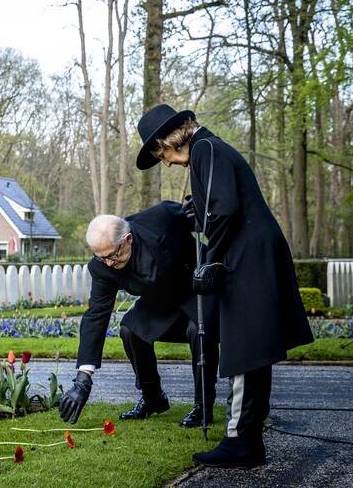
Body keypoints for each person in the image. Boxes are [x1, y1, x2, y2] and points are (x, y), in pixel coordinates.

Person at [135, 104, 314, 468]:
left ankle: (240, 441)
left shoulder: (204, 149)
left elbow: (225, 209)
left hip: (248, 256)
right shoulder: (211, 149)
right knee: (254, 346)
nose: (165, 162)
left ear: (171, 139)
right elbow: (217, 207)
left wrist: (209, 261)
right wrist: (196, 213)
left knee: (245, 346)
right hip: (255, 252)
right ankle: (247, 438)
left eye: (161, 153)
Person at [58, 202, 219, 428]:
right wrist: (83, 379)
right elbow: (96, 315)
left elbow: (197, 218)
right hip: (161, 301)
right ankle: (153, 399)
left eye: (112, 256)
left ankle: (203, 406)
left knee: (197, 330)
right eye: (101, 257)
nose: (108, 263)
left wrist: (204, 216)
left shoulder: (159, 219)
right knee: (130, 330)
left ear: (128, 240)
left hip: (197, 287)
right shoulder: (102, 266)